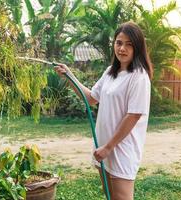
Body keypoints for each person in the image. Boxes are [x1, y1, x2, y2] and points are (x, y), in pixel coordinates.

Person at [54, 21, 153, 200]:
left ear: (137, 48)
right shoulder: (110, 72)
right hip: (104, 148)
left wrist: (109, 147)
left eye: (129, 44)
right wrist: (69, 76)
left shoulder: (139, 77)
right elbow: (91, 98)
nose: (122, 48)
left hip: (120, 149)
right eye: (119, 42)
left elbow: (133, 116)